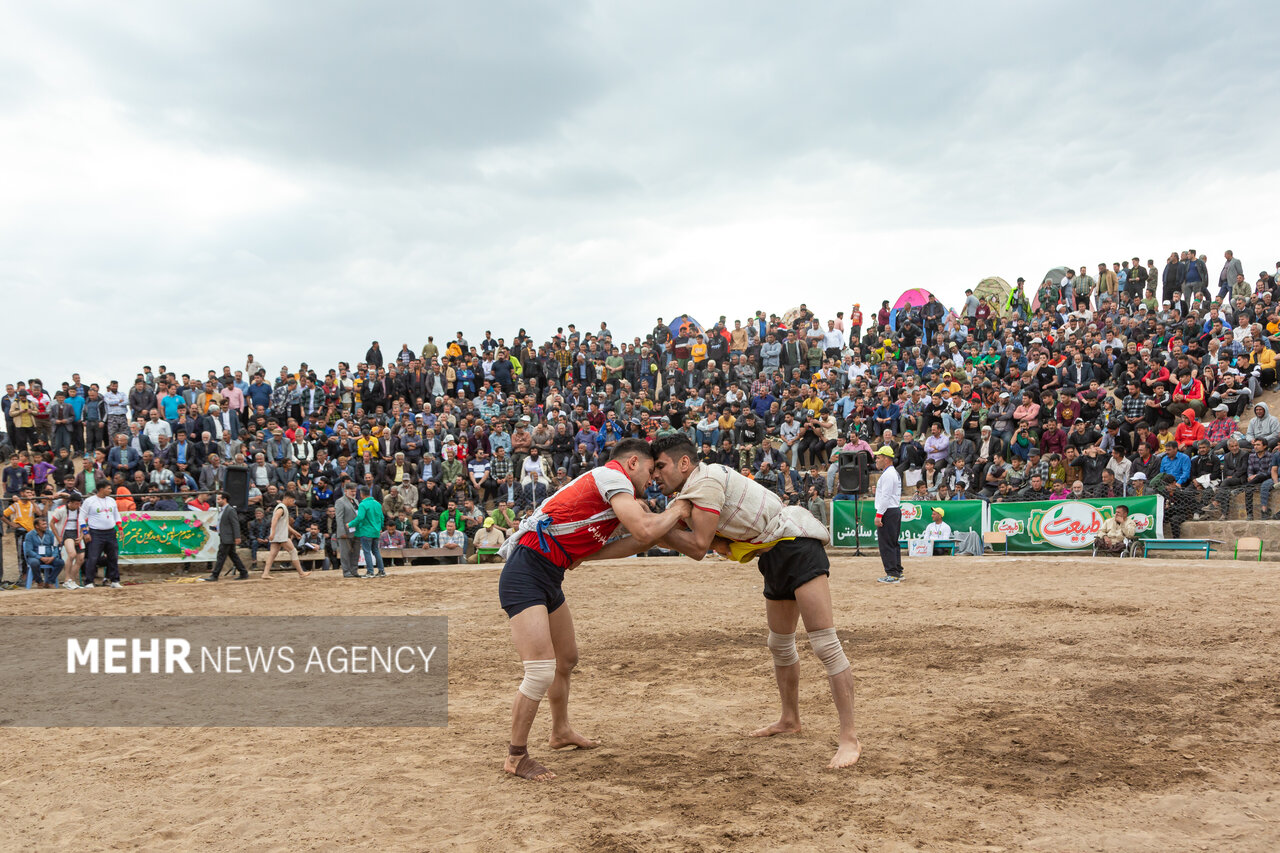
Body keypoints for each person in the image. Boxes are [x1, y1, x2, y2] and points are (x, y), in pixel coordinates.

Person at [646, 434, 861, 770]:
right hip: (773, 553)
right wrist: (659, 523)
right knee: (780, 644)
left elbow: (700, 546)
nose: (655, 474)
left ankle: (849, 738)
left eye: (660, 466)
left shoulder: (704, 482)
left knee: (825, 645)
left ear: (683, 463)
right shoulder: (695, 491)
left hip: (798, 545)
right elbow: (715, 546)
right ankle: (789, 719)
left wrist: (649, 526)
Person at [496, 438, 691, 782]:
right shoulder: (612, 477)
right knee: (540, 671)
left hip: (548, 574)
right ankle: (516, 756)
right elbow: (645, 530)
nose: (652, 478)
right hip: (525, 573)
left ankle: (560, 732)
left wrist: (587, 554)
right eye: (650, 469)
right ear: (632, 463)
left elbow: (639, 538)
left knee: (566, 659)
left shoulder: (621, 493)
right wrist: (678, 509)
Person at [79, 481, 123, 589]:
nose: (111, 490)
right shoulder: (89, 501)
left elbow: (116, 515)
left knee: (113, 557)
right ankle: (89, 581)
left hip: (111, 532)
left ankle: (114, 580)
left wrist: (120, 528)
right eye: (108, 488)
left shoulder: (112, 500)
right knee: (93, 557)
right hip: (95, 533)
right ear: (101, 489)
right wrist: (85, 532)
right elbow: (81, 517)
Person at [260, 492, 311, 579]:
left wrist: (294, 532)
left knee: (272, 554)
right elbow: (274, 520)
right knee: (293, 551)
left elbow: (284, 524)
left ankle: (265, 573)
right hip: (280, 536)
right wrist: (272, 533)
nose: (293, 503)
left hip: (278, 534)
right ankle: (301, 573)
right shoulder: (281, 508)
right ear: (288, 498)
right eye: (292, 501)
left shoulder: (282, 507)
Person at [872, 445, 903, 583]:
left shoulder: (888, 474)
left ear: (886, 459)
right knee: (893, 542)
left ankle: (892, 573)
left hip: (888, 511)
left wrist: (879, 515)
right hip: (893, 509)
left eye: (878, 458)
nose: (876, 460)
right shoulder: (891, 473)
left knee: (886, 543)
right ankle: (897, 570)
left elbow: (886, 497)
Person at [202, 492, 248, 581]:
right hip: (225, 536)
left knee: (221, 555)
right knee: (233, 555)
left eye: (219, 499)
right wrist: (217, 528)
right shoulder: (223, 510)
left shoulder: (230, 510)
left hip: (228, 537)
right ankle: (243, 572)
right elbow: (225, 523)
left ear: (224, 499)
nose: (217, 501)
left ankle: (215, 575)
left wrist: (237, 537)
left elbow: (235, 524)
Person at [349, 486, 386, 578]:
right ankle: (381, 571)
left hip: (366, 532)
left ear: (361, 494)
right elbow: (382, 517)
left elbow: (360, 518)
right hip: (376, 531)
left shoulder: (362, 504)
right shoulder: (377, 504)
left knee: (367, 551)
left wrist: (350, 524)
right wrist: (380, 527)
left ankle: (370, 571)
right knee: (376, 551)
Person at [22, 516, 62, 589]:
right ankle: (39, 582)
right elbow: (29, 551)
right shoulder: (29, 535)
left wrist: (53, 557)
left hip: (49, 557)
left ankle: (49, 581)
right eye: (43, 524)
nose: (46, 526)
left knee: (60, 562)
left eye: (46, 524)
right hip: (35, 557)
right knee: (34, 563)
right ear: (37, 526)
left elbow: (56, 546)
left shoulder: (50, 533)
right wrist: (40, 558)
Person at [333, 481, 361, 578]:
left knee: (356, 552)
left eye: (355, 491)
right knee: (345, 553)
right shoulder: (340, 501)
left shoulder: (356, 501)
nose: (354, 493)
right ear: (345, 491)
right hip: (345, 531)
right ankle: (346, 571)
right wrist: (342, 532)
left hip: (356, 531)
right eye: (351, 491)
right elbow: (339, 518)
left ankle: (354, 570)